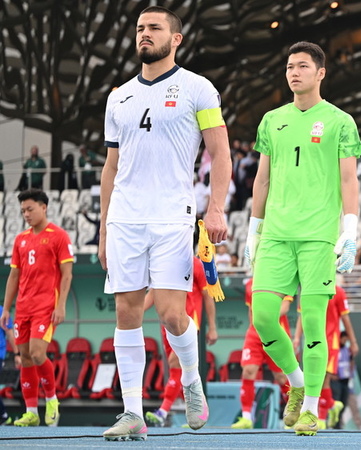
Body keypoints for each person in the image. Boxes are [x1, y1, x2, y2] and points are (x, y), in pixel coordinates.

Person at [99, 6, 231, 441]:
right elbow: (111, 166)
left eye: (154, 28)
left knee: (174, 315)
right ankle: (133, 412)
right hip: (125, 217)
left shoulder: (198, 88)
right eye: (140, 28)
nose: (145, 34)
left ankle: (191, 379)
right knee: (126, 311)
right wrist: (103, 228)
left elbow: (221, 154)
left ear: (176, 39)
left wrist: (215, 208)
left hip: (173, 215)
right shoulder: (118, 97)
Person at [245, 41, 361, 436]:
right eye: (289, 67)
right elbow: (262, 179)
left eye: (302, 66)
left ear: (320, 73)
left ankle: (312, 408)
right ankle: (296, 382)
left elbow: (349, 180)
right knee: (264, 317)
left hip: (318, 236)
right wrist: (253, 229)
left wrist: (350, 231)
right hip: (276, 234)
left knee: (314, 321)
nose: (294, 72)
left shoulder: (340, 121)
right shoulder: (271, 120)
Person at [1, 189, 74, 427]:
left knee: (37, 353)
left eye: (30, 209)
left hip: (46, 306)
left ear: (44, 207)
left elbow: (67, 275)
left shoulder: (59, 236)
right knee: (24, 357)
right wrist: (6, 308)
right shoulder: (20, 239)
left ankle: (52, 400)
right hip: (23, 307)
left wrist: (61, 306)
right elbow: (14, 276)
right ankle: (31, 411)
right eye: (23, 210)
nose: (26, 214)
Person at [144, 227, 217, 427]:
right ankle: (188, 408)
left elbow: (208, 297)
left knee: (176, 363)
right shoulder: (161, 263)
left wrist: (212, 327)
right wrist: (136, 313)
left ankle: (163, 411)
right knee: (176, 368)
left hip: (187, 322)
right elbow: (153, 293)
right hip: (166, 324)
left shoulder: (196, 264)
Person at [292, 285, 359, 429]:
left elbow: (345, 318)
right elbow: (302, 315)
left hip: (331, 341)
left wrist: (353, 342)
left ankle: (321, 417)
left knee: (324, 378)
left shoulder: (338, 292)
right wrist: (297, 338)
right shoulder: (307, 289)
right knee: (315, 377)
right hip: (312, 339)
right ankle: (332, 405)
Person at [231, 279, 293, 429]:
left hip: (276, 332)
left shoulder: (281, 279)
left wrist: (266, 319)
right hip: (255, 333)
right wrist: (255, 326)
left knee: (281, 377)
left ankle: (293, 414)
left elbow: (285, 307)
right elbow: (251, 310)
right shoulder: (249, 284)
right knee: (248, 371)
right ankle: (246, 417)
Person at [0, 309, 17, 424]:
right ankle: (3, 415)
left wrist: (17, 354)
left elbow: (10, 334)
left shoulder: (2, 311)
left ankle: (3, 415)